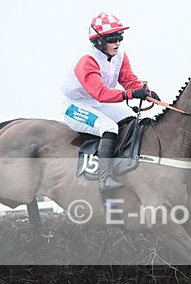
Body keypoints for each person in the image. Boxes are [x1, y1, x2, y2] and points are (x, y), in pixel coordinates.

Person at [60, 12, 159, 192]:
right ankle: (104, 179)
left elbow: (129, 80)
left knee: (131, 121)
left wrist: (145, 92)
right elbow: (101, 93)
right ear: (99, 41)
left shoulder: (120, 56)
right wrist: (131, 94)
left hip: (98, 104)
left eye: (120, 37)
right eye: (112, 38)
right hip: (76, 106)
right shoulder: (87, 60)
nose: (118, 42)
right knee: (109, 128)